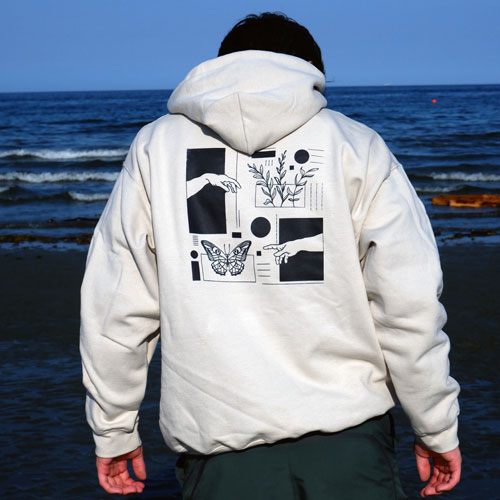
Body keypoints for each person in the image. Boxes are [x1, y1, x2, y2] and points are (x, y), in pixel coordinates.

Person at [80, 12, 461, 499]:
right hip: (348, 442)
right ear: (311, 74)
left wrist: (113, 429)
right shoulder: (356, 146)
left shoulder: (157, 148)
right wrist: (435, 425)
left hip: (220, 448)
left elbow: (116, 304)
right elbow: (408, 305)